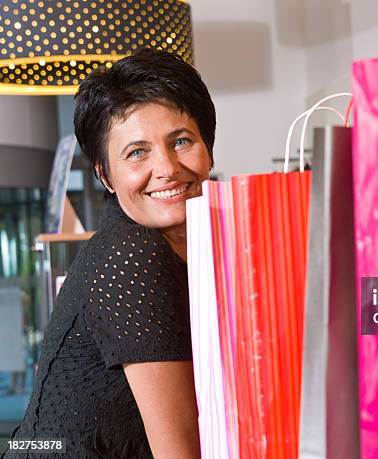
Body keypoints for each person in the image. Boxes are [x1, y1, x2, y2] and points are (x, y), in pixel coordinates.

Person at [3, 48, 216, 458]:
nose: (167, 168)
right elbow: (182, 453)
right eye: (137, 152)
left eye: (182, 141)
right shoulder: (132, 254)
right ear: (106, 174)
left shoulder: (205, 238)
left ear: (208, 148)